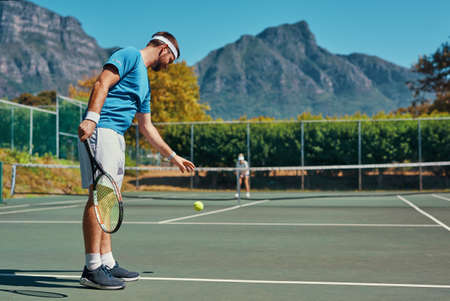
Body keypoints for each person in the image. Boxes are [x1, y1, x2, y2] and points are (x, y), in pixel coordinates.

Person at [77, 32, 195, 290]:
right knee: (100, 197)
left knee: (109, 200)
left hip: (117, 136)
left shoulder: (145, 84)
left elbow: (147, 126)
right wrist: (91, 118)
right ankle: (92, 267)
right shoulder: (129, 55)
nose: (168, 66)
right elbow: (102, 83)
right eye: (170, 60)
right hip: (102, 129)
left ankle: (106, 261)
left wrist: (173, 157)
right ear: (164, 48)